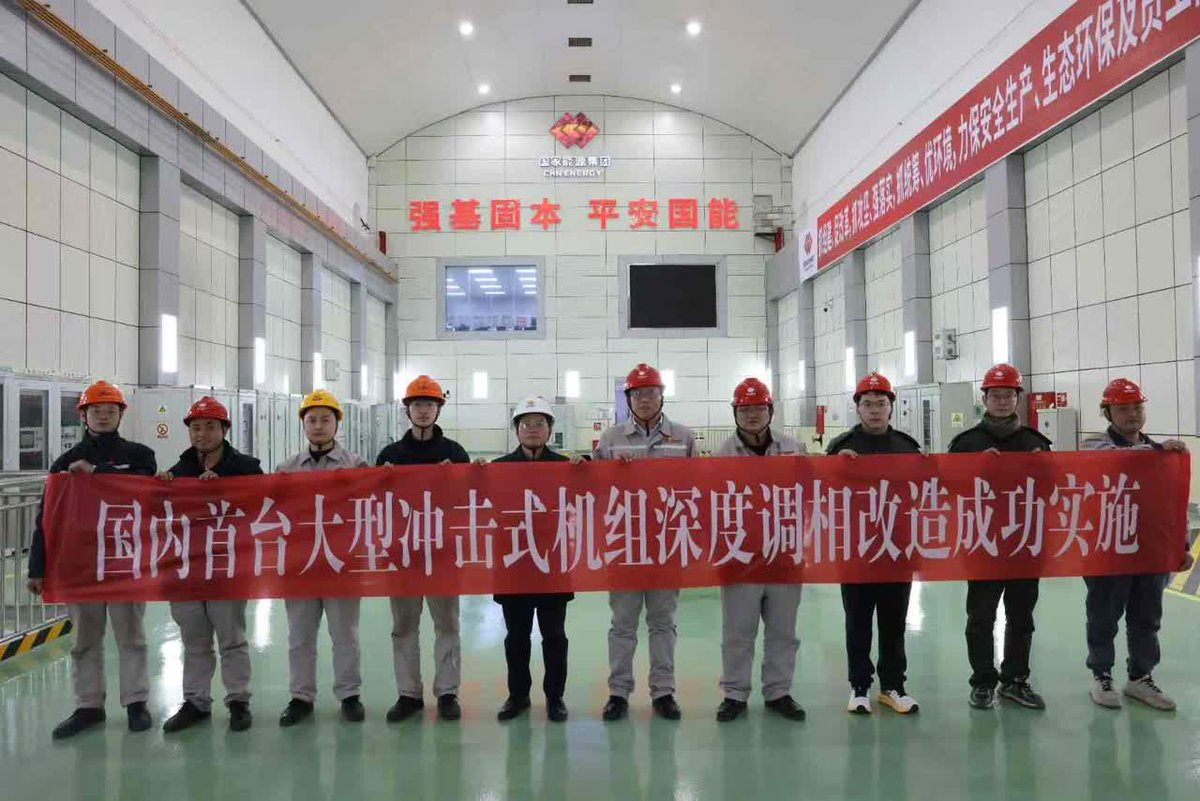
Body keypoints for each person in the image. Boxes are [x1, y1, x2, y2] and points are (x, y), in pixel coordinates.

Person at [26, 380, 157, 739]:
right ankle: (88, 705)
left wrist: (97, 473)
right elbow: (46, 517)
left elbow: (145, 487)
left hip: (124, 560)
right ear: (83, 415)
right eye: (96, 410)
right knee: (84, 640)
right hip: (80, 565)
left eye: (110, 410)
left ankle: (136, 703)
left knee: (131, 637)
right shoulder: (64, 463)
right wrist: (37, 567)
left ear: (120, 415)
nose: (103, 416)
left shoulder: (140, 456)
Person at [1081, 378, 1195, 711]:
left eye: (1137, 407)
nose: (1132, 414)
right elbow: (1113, 459)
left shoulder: (1162, 456)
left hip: (1150, 551)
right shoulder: (1095, 446)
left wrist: (1180, 547)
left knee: (1147, 618)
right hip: (1109, 551)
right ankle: (1101, 674)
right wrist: (1157, 453)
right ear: (1107, 412)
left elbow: (1173, 506)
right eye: (1123, 409)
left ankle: (1140, 677)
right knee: (1104, 616)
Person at [594, 363, 697, 721]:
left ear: (661, 396)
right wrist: (608, 472)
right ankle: (618, 693)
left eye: (651, 393)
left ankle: (663, 692)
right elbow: (594, 491)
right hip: (624, 547)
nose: (644, 399)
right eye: (637, 394)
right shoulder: (611, 439)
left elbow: (697, 490)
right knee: (622, 624)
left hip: (666, 546)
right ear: (629, 398)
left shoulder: (683, 438)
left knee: (662, 623)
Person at [947, 364, 1051, 711]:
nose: (1003, 401)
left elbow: (1054, 492)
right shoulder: (966, 444)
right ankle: (982, 682)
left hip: (1024, 544)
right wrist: (975, 469)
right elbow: (947, 490)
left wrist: (1043, 470)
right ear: (985, 399)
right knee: (981, 617)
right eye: (996, 395)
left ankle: (1015, 680)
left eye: (1009, 395)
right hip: (983, 544)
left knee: (1022, 617)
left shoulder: (1036, 444)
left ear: (1018, 399)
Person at [157, 396, 261, 732]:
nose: (202, 434)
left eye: (210, 427)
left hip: (227, 567)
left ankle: (238, 701)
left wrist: (227, 489)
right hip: (186, 570)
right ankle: (196, 701)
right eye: (196, 428)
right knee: (194, 640)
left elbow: (263, 507)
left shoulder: (247, 469)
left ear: (224, 430)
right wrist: (161, 489)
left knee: (231, 638)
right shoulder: (178, 472)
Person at [375, 375, 469, 722]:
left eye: (430, 404)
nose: (424, 410)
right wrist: (383, 481)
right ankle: (408, 694)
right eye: (417, 404)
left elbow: (469, 502)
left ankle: (447, 693)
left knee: (447, 625)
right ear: (407, 410)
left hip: (442, 553)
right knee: (404, 626)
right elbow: (375, 504)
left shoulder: (455, 454)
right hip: (403, 554)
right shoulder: (390, 456)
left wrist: (457, 479)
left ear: (438, 409)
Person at [712, 378, 807, 723]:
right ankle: (735, 694)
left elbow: (812, 494)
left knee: (783, 632)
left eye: (758, 409)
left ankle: (778, 691)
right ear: (735, 413)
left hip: (784, 556)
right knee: (738, 633)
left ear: (770, 411)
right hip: (740, 558)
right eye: (745, 410)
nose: (752, 415)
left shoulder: (794, 449)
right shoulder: (722, 456)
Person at [826, 372, 921, 715]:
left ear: (891, 407)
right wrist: (836, 467)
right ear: (858, 408)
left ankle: (893, 686)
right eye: (868, 404)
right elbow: (822, 493)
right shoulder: (840, 447)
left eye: (881, 404)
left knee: (894, 622)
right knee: (858, 621)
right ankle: (860, 686)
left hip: (897, 549)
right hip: (857, 550)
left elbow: (927, 493)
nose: (875, 410)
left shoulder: (908, 447)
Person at [277, 389, 369, 726]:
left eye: (325, 420)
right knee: (300, 636)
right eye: (312, 420)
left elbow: (373, 507)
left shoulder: (356, 466)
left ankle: (349, 695)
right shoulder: (286, 469)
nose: (318, 426)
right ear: (303, 424)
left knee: (345, 635)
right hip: (300, 565)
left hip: (341, 563)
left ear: (336, 424)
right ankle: (301, 697)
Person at [491, 395, 576, 723]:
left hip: (553, 564)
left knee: (554, 637)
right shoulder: (498, 469)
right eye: (526, 423)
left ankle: (555, 697)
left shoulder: (566, 468)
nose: (532, 429)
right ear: (516, 429)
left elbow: (593, 497)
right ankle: (518, 696)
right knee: (516, 637)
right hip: (514, 565)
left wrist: (587, 469)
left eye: (539, 423)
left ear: (550, 429)